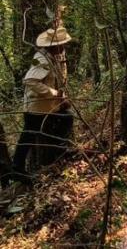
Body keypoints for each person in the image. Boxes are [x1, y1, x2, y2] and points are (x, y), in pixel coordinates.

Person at [12, 26, 74, 183]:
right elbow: (30, 81)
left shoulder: (58, 57)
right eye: (60, 44)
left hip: (51, 106)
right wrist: (54, 94)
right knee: (29, 136)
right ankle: (17, 169)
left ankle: (57, 155)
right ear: (52, 46)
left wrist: (62, 98)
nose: (63, 47)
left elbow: (58, 79)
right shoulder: (42, 59)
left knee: (66, 118)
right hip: (37, 107)